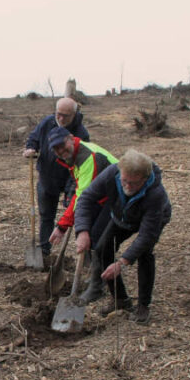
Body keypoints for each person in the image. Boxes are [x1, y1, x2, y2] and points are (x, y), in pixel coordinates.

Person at [74, 150, 171, 324]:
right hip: (121, 215)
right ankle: (120, 299)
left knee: (144, 253)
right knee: (103, 249)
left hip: (151, 219)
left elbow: (147, 235)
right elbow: (86, 198)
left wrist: (123, 262)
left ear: (144, 178)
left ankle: (143, 305)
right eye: (124, 181)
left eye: (133, 183)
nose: (127, 186)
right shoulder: (113, 173)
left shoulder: (155, 194)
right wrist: (82, 230)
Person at [45, 126, 118, 303]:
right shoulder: (75, 154)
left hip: (118, 195)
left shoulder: (88, 157)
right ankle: (97, 275)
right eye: (56, 149)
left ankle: (97, 286)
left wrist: (62, 225)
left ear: (71, 137)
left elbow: (83, 197)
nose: (61, 151)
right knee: (93, 234)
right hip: (102, 196)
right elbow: (80, 188)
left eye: (62, 145)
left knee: (98, 238)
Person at [22, 98, 90, 259]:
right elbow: (34, 137)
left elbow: (81, 161)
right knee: (46, 215)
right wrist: (31, 148)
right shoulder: (48, 122)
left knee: (76, 213)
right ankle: (44, 253)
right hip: (47, 177)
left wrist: (71, 189)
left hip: (70, 179)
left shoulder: (81, 133)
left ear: (74, 114)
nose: (60, 119)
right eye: (58, 114)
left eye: (65, 116)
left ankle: (84, 255)